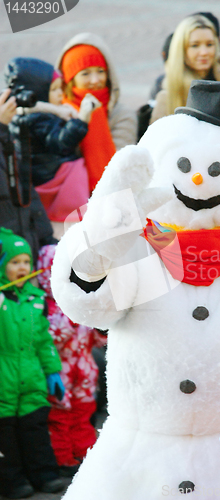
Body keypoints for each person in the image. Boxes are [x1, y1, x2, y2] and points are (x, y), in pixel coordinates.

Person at [0, 228, 64, 499]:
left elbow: (42, 340)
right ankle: (13, 482)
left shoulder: (34, 300)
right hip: (3, 380)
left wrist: (52, 371)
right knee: (6, 437)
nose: (22, 267)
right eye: (15, 262)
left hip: (31, 377)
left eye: (26, 261)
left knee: (35, 428)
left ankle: (45, 475)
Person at [4, 57, 98, 238]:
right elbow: (61, 143)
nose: (59, 94)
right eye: (53, 89)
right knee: (68, 228)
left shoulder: (34, 114)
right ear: (38, 92)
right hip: (56, 181)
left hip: (46, 174)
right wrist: (81, 121)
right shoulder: (38, 119)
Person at [37, 244, 107, 477]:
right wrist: (71, 318)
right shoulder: (44, 308)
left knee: (84, 414)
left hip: (85, 372)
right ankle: (63, 459)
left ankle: (86, 454)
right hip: (61, 373)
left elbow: (94, 339)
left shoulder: (81, 301)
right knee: (59, 418)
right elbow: (51, 338)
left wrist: (101, 330)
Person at [55, 32, 138, 192]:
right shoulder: (58, 114)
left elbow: (121, 165)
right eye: (85, 73)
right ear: (70, 79)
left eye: (100, 71)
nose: (95, 80)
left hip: (113, 195)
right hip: (69, 199)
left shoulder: (122, 115)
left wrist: (96, 118)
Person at [149, 14, 220, 124]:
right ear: (181, 50)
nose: (204, 52)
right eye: (195, 45)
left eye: (209, 44)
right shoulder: (166, 98)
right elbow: (156, 140)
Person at [0, 88, 57, 258]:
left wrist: (47, 240)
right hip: (7, 254)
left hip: (24, 249)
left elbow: (26, 192)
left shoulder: (6, 138)